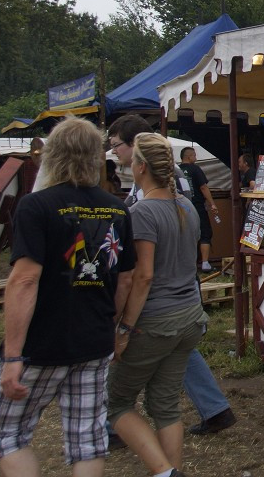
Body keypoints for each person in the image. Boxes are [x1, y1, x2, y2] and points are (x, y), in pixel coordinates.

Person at [0, 117, 135, 477]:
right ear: (96, 157)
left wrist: (13, 354)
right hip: (94, 340)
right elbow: (125, 278)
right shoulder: (118, 208)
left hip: (41, 343)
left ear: (52, 154)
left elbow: (23, 280)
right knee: (87, 438)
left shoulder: (36, 206)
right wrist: (113, 328)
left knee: (5, 432)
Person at [105, 116, 235, 441]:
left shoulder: (154, 195)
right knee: (172, 367)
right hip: (180, 295)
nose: (115, 153)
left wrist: (123, 325)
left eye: (117, 146)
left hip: (159, 299)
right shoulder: (175, 198)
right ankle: (213, 408)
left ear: (138, 153)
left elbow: (144, 271)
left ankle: (116, 426)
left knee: (125, 388)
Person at [108, 133, 206, 477]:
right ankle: (170, 471)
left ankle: (164, 471)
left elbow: (143, 276)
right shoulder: (187, 207)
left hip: (155, 321)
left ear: (142, 167)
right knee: (165, 406)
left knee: (116, 402)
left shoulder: (141, 212)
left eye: (133, 160)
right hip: (190, 317)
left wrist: (124, 328)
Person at [178, 146, 219, 273]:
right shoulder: (195, 169)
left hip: (180, 207)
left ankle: (185, 263)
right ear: (189, 157)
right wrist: (212, 204)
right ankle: (205, 263)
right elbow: (203, 187)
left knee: (184, 234)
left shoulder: (176, 170)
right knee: (205, 232)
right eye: (194, 155)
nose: (196, 158)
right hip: (196, 206)